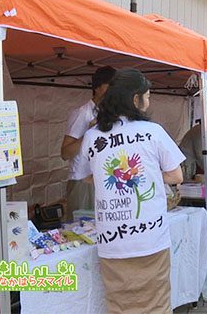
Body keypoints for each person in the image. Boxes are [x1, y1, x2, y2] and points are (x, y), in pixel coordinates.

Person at [75, 69, 185, 313]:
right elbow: (176, 175)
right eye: (148, 95)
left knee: (119, 305)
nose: (149, 100)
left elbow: (84, 175)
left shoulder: (93, 136)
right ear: (135, 99)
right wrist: (149, 176)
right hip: (149, 236)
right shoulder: (152, 131)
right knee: (155, 303)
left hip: (112, 240)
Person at [61, 66, 116, 219]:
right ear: (97, 87)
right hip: (82, 182)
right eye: (110, 85)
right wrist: (89, 134)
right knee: (80, 230)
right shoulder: (82, 113)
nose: (113, 90)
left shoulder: (110, 114)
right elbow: (65, 153)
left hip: (103, 180)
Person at [179, 108, 207, 180]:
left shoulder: (200, 130)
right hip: (186, 164)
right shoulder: (199, 131)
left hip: (189, 162)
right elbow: (200, 155)